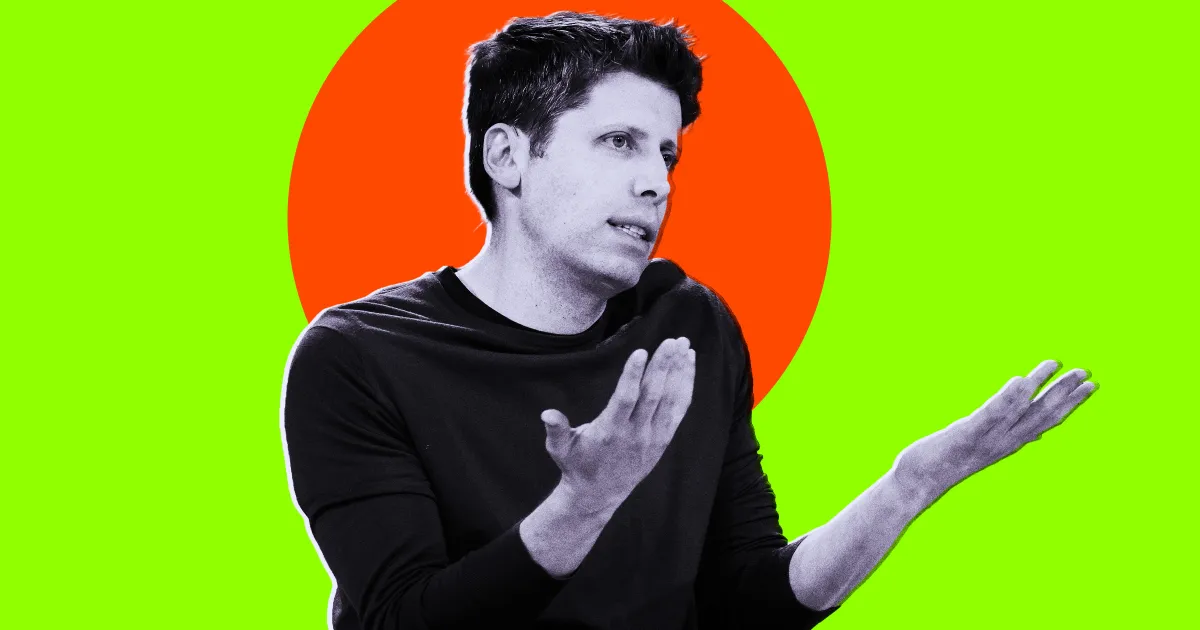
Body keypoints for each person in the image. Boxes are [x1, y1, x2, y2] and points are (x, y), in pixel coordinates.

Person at [281, 11, 1096, 630]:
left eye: (666, 154)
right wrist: (585, 503)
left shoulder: (688, 323)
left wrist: (909, 486)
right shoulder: (356, 357)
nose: (658, 182)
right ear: (508, 157)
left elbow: (744, 598)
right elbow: (400, 618)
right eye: (619, 142)